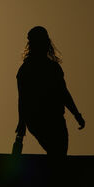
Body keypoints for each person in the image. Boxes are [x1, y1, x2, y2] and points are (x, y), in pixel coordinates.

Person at [15, 26, 85, 156]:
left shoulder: (53, 68)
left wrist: (76, 114)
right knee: (56, 152)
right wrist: (22, 122)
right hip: (37, 119)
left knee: (59, 152)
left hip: (56, 119)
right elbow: (23, 98)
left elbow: (63, 93)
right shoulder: (25, 70)